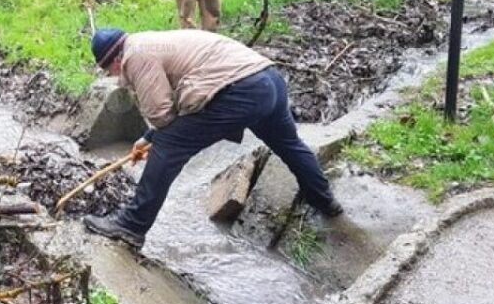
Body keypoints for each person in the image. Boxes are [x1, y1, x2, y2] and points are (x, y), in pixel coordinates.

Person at [83, 27, 343, 248]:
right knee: (289, 145)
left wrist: (156, 137)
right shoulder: (150, 41)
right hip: (268, 80)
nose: (116, 77)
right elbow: (178, 106)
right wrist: (149, 136)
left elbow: (162, 115)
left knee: (168, 145)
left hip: (242, 90)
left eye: (111, 72)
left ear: (114, 61)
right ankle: (324, 200)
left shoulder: (135, 56)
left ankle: (131, 225)